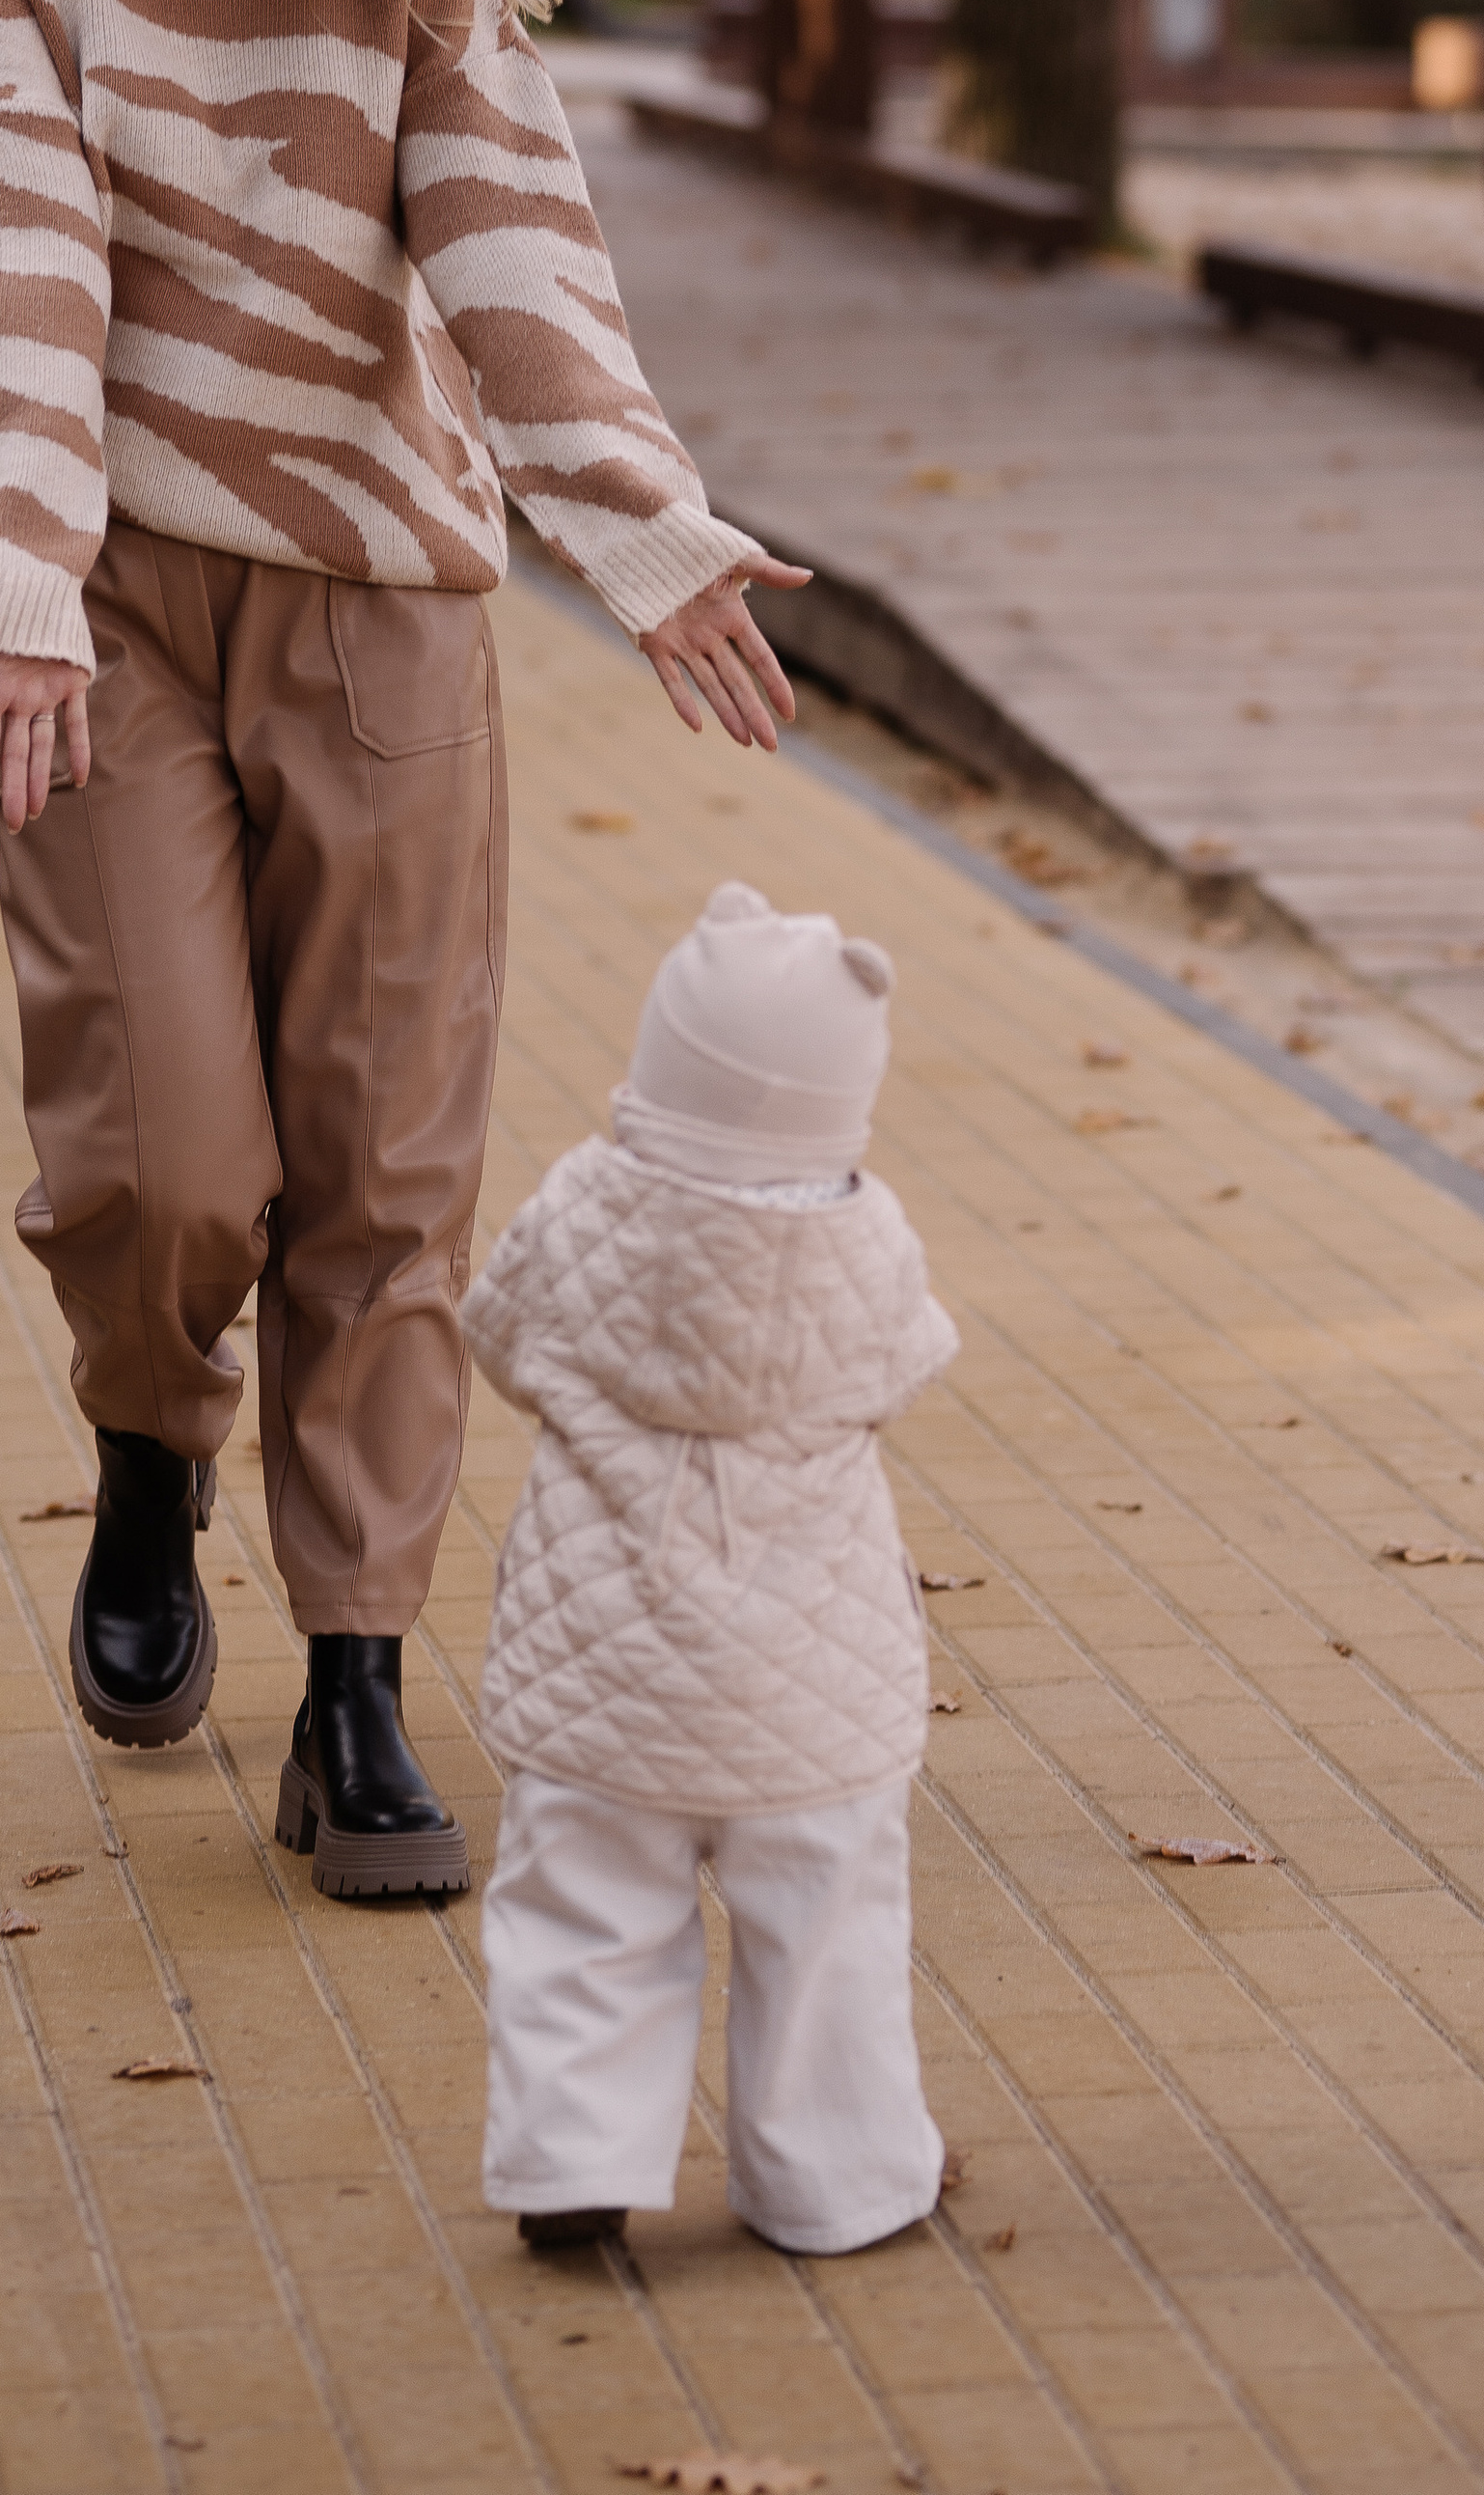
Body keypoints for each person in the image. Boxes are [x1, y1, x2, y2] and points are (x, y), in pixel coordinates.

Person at [0, 0, 807, 1896]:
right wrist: (10, 564)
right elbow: (21, 263)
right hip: (110, 619)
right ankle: (147, 1445)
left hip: (385, 615)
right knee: (170, 1161)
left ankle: (360, 1688)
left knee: (386, 1177)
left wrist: (643, 523)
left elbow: (512, 247)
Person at [462, 879, 957, 2258]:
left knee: (582, 1915)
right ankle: (837, 2186)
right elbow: (913, 1364)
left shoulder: (578, 1205)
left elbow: (495, 1338)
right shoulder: (867, 1243)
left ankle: (571, 2167)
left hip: (602, 1678)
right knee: (830, 1935)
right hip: (811, 1690)